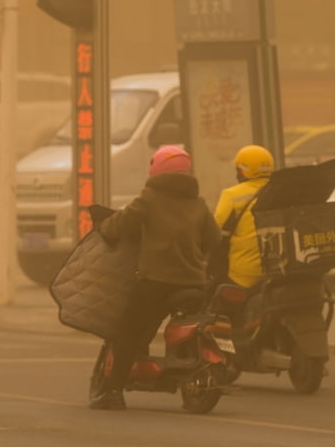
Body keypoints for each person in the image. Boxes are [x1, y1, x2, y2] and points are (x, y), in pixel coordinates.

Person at [90, 145, 221, 411]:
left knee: (126, 332)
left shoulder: (150, 198)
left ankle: (113, 392)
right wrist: (197, 256)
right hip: (195, 283)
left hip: (156, 283)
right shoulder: (199, 203)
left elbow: (121, 224)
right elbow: (214, 238)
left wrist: (104, 227)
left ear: (156, 169)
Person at [213, 144, 275, 290]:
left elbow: (215, 231)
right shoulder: (278, 190)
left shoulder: (232, 195)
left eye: (238, 169)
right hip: (277, 270)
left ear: (243, 171)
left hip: (244, 276)